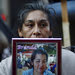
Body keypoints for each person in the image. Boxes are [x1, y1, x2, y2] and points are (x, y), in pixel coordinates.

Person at [0, 1, 75, 75]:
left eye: (43, 25)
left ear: (50, 31)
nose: (36, 31)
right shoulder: (6, 67)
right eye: (30, 25)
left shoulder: (71, 60)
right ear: (20, 31)